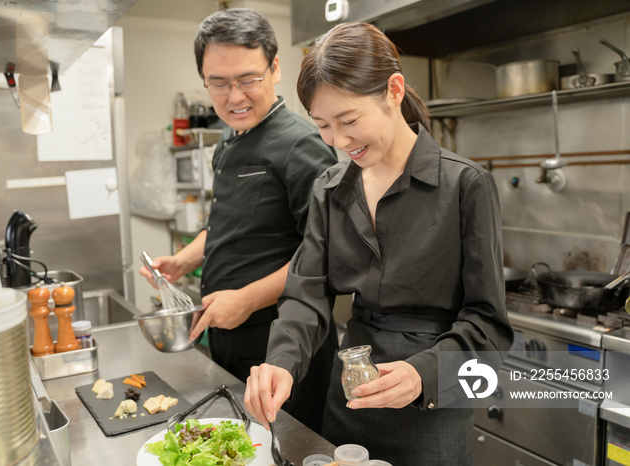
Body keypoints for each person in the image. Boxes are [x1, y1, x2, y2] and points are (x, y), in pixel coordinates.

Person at [243, 22, 514, 465]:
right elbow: (306, 295)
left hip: (432, 407)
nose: (339, 141)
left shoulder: (466, 185)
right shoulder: (329, 189)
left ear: (393, 90)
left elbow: (490, 327)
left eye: (349, 120)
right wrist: (280, 362)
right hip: (350, 394)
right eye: (323, 126)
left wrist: (421, 373)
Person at [140, 8, 338, 434]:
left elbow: (322, 257)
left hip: (282, 349)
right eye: (219, 83)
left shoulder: (303, 146)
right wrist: (183, 260)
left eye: (248, 79)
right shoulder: (228, 142)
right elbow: (229, 223)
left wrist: (246, 299)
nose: (235, 97)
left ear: (276, 68)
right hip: (228, 338)